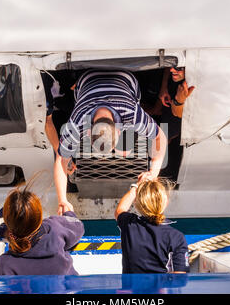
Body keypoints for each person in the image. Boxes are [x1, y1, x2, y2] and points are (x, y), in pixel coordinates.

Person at [54, 69, 168, 212]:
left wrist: (154, 172)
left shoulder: (131, 113)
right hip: (90, 79)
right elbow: (159, 136)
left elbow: (61, 159)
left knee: (124, 151)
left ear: (88, 132)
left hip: (123, 77)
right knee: (125, 150)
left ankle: (122, 149)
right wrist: (62, 200)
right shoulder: (79, 119)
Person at [0, 180, 84, 276]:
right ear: (39, 215)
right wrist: (69, 213)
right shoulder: (56, 227)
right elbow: (78, 227)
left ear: (7, 222)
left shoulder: (4, 265)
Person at [114, 173, 189, 274]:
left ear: (136, 204)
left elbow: (120, 209)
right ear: (165, 202)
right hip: (159, 289)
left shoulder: (129, 224)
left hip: (132, 289)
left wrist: (137, 185)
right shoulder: (176, 237)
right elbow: (180, 277)